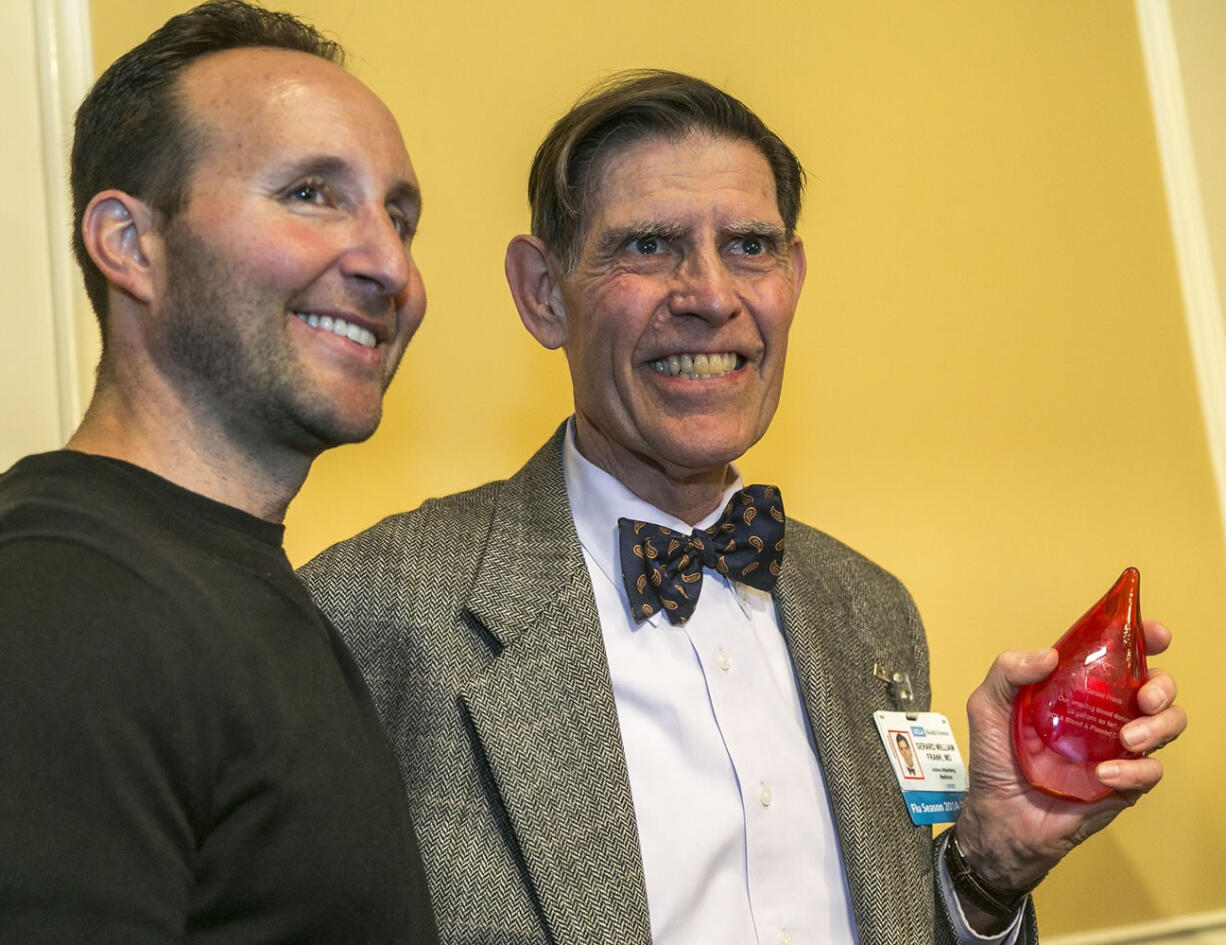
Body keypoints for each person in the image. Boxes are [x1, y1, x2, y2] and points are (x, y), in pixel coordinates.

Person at [299, 70, 1185, 945]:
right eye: (648, 245)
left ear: (792, 278)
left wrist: (987, 873)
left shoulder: (870, 609)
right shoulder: (372, 609)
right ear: (543, 293)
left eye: (751, 246)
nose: (712, 295)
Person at [0, 2, 437, 942]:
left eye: (398, 215)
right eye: (312, 193)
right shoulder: (59, 599)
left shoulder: (232, 586)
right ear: (130, 243)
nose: (389, 263)